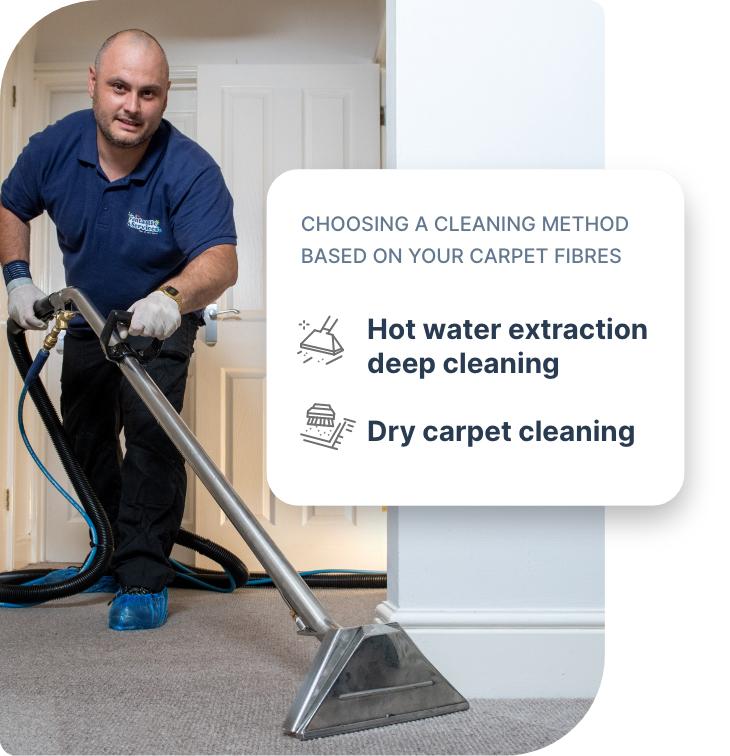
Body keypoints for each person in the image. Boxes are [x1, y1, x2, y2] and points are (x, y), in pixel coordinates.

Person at [0, 29, 237, 631]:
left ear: (164, 98)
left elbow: (220, 260)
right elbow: (10, 204)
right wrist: (18, 278)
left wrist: (171, 298)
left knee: (151, 442)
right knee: (84, 436)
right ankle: (107, 552)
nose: (132, 105)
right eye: (119, 87)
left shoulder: (188, 167)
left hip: (157, 322)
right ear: (93, 84)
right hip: (85, 316)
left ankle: (142, 576)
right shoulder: (56, 147)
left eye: (148, 92)